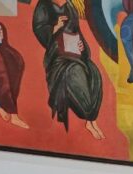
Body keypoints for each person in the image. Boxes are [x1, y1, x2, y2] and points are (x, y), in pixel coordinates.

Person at [31, 0, 105, 139]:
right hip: (59, 56)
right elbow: (38, 28)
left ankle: (92, 121)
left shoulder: (70, 5)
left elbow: (77, 31)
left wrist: (81, 45)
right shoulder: (44, 5)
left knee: (94, 72)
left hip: (75, 52)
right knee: (75, 72)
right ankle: (87, 115)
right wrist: (55, 27)